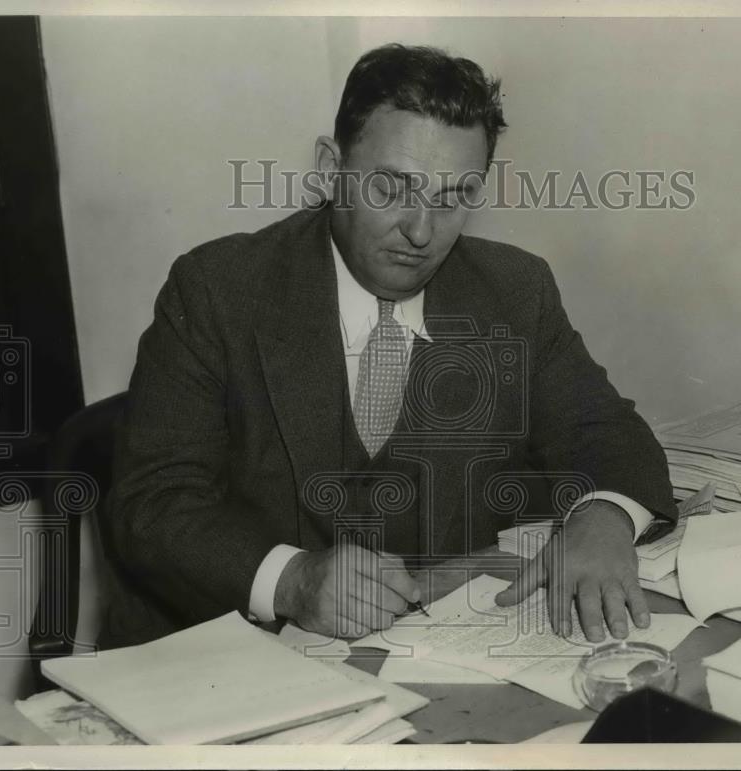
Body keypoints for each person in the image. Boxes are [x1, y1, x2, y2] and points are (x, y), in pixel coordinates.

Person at [101, 43, 677, 650]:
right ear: (330, 168)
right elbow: (152, 507)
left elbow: (606, 431)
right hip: (234, 658)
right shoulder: (219, 290)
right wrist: (293, 579)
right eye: (392, 188)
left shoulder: (515, 291)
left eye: (453, 197)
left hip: (435, 658)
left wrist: (604, 519)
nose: (422, 231)